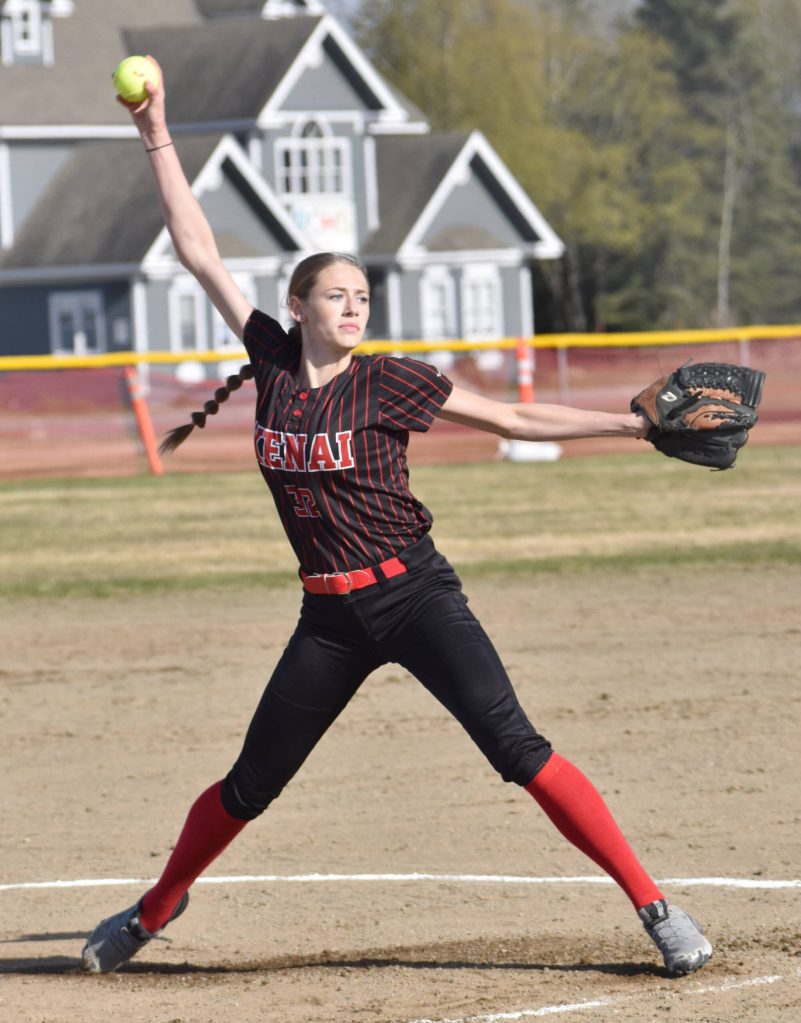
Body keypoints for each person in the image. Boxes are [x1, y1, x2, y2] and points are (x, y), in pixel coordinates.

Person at [82, 58, 713, 978]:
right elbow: (199, 253)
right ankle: (155, 905)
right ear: (297, 308)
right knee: (250, 786)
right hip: (328, 617)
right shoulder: (269, 359)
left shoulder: (390, 379)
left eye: (362, 296)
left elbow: (510, 416)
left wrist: (626, 424)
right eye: (335, 294)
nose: (353, 305)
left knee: (519, 749)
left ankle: (654, 906)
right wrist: (155, 135)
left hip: (416, 595)